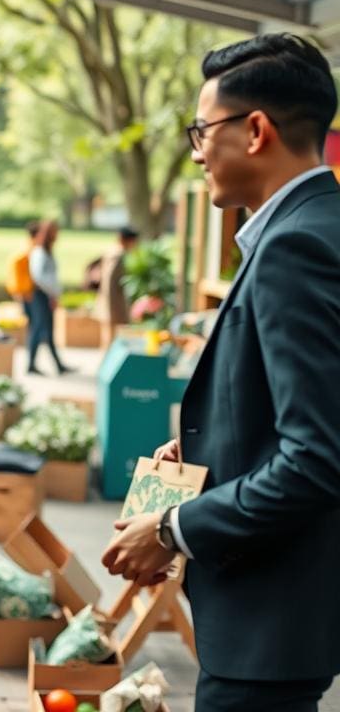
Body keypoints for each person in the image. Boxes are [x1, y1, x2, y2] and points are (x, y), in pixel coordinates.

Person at [101, 34, 340, 711]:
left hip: (270, 621)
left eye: (202, 131)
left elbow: (317, 457)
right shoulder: (318, 226)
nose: (197, 150)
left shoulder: (294, 246)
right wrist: (211, 452)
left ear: (256, 131)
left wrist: (174, 529)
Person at [26, 220, 71, 375]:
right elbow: (39, 276)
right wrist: (53, 292)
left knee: (47, 330)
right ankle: (31, 364)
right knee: (39, 328)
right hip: (41, 295)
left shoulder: (46, 252)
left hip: (46, 295)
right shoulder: (39, 252)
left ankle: (58, 365)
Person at [93, 226, 139, 346]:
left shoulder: (112, 251)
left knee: (108, 338)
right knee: (110, 340)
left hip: (109, 301)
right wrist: (112, 307)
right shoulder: (118, 255)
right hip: (113, 303)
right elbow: (110, 282)